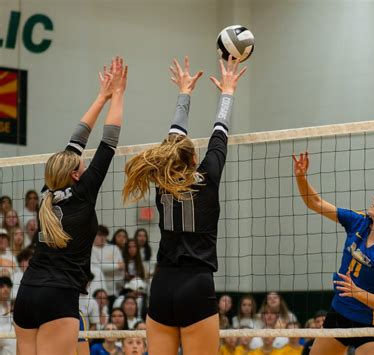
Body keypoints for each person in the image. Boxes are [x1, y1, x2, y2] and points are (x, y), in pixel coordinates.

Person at [122, 56, 246, 355]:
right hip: (196, 285)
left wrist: (184, 92)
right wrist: (227, 90)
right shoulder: (207, 177)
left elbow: (175, 138)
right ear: (194, 160)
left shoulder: (162, 178)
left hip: (162, 284)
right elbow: (220, 129)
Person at [13, 57, 127, 355]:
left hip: (26, 294)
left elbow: (78, 140)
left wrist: (102, 96)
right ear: (76, 175)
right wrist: (119, 93)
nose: (85, 162)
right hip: (58, 297)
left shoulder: (46, 194)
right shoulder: (83, 191)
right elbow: (109, 140)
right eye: (82, 164)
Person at [293, 152, 374, 355]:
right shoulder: (358, 222)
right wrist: (301, 177)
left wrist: (357, 292)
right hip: (339, 314)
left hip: (370, 325)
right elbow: (316, 203)